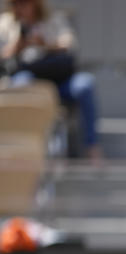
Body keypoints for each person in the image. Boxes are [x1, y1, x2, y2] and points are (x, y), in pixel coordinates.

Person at [0, 0, 101, 159]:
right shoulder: (6, 23)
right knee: (21, 83)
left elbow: (69, 44)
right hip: (32, 81)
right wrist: (18, 44)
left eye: (25, 3)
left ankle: (92, 146)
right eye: (16, 3)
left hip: (60, 79)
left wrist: (45, 44)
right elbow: (4, 56)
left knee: (85, 85)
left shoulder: (53, 19)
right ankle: (25, 150)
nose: (20, 7)